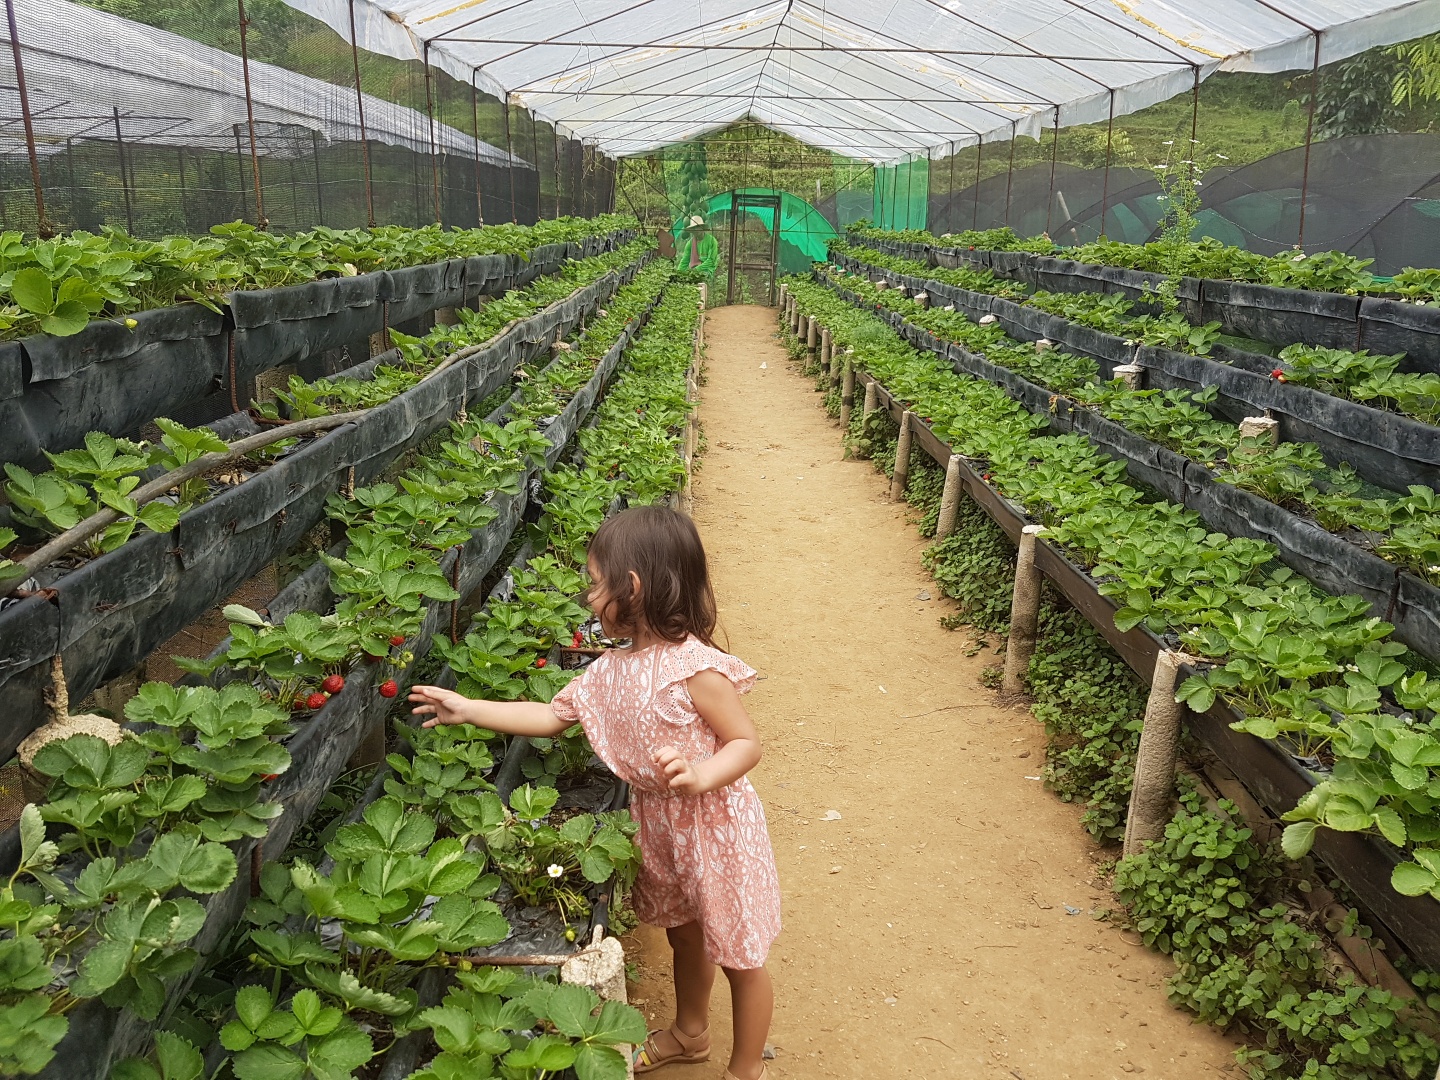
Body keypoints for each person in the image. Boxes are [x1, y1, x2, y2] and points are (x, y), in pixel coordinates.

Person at [408, 505, 780, 1080]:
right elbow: (551, 715)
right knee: (683, 933)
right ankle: (690, 1032)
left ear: (630, 588)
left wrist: (701, 773)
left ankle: (747, 1069)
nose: (588, 596)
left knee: (739, 952)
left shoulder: (695, 671)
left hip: (715, 825)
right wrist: (468, 710)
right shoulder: (608, 671)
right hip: (659, 820)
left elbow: (745, 743)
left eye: (594, 582)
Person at [675, 213, 719, 278]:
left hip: (707, 271)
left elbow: (711, 261)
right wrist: (678, 274)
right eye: (693, 228)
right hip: (694, 271)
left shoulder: (711, 241)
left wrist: (696, 270)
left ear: (702, 228)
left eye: (698, 226)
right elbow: (684, 261)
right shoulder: (690, 243)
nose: (696, 230)